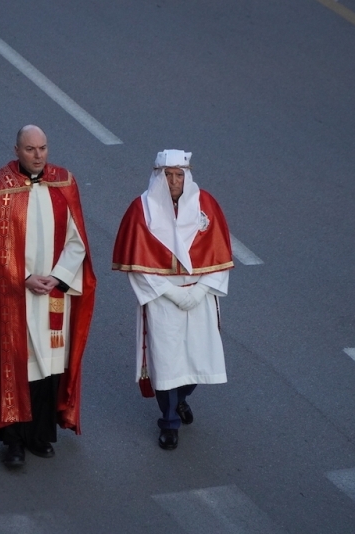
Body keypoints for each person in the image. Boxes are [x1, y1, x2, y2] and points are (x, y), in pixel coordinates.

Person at [0, 125, 96, 468]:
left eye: (43, 148)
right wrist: (24, 277)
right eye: (30, 149)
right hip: (12, 295)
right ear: (16, 150)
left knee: (48, 370)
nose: (39, 155)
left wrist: (57, 277)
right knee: (13, 368)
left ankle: (40, 435)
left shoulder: (63, 183)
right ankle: (13, 441)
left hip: (53, 294)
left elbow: (77, 240)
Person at [112, 150, 233, 450]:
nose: (174, 181)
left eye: (180, 175)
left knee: (197, 360)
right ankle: (168, 422)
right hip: (163, 297)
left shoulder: (207, 206)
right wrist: (173, 293)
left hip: (199, 295)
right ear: (158, 176)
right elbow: (138, 267)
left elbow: (220, 257)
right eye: (169, 175)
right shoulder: (142, 210)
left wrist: (199, 291)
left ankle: (182, 399)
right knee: (165, 362)